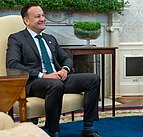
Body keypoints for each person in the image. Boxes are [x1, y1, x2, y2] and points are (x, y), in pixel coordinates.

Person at [6, 3, 101, 137]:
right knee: (55, 85)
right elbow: (12, 64)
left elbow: (66, 58)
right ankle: (53, 132)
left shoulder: (50, 38)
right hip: (34, 82)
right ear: (26, 20)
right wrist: (43, 75)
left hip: (56, 79)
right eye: (38, 16)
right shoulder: (16, 38)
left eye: (43, 15)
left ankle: (88, 129)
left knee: (93, 79)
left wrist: (65, 70)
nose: (43, 19)